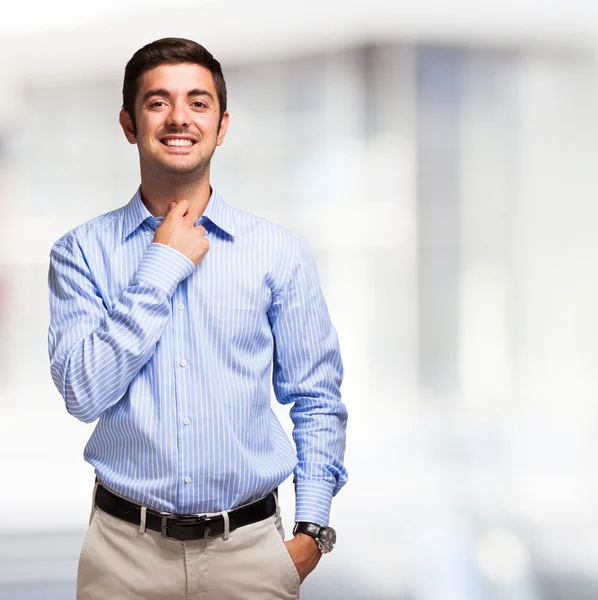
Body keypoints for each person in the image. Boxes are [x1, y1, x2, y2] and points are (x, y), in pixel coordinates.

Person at [47, 37, 348, 600]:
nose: (179, 117)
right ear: (129, 124)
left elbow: (317, 398)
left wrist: (311, 530)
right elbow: (82, 392)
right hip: (123, 558)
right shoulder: (80, 253)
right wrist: (161, 266)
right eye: (158, 102)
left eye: (198, 102)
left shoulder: (278, 253)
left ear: (222, 123)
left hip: (251, 555)